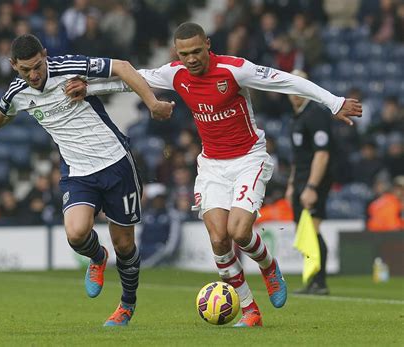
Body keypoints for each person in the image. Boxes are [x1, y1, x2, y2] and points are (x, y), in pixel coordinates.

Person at [68, 22, 362, 327]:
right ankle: (250, 310)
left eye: (196, 51)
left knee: (239, 232)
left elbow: (285, 80)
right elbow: (133, 80)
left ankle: (269, 266)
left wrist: (334, 102)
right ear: (177, 53)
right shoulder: (176, 73)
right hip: (211, 165)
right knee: (219, 240)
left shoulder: (235, 70)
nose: (191, 59)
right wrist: (90, 88)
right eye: (184, 54)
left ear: (208, 44)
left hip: (249, 159)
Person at [0, 34, 174, 326]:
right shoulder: (18, 92)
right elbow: (3, 113)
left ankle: (127, 305)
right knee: (77, 234)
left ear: (45, 54)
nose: (34, 74)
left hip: (116, 163)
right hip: (77, 172)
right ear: (13, 65)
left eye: (37, 65)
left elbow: (123, 67)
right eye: (25, 69)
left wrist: (152, 103)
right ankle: (98, 257)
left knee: (125, 245)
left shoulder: (69, 67)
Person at [285, 69, 335, 295]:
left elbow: (322, 154)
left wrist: (312, 187)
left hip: (315, 180)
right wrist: (292, 184)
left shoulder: (316, 113)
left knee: (312, 228)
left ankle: (320, 282)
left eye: (301, 85)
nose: (296, 91)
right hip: (301, 180)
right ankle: (313, 280)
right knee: (303, 230)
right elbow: (299, 156)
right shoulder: (298, 116)